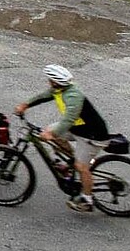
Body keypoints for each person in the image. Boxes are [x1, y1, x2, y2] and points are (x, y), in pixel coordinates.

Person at [16, 63, 109, 212]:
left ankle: (87, 200)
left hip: (92, 135)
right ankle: (71, 162)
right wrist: (25, 104)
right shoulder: (60, 89)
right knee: (49, 131)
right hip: (78, 129)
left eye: (50, 80)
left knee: (82, 167)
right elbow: (44, 96)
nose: (48, 82)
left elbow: (68, 119)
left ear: (55, 81)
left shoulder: (73, 96)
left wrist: (52, 134)